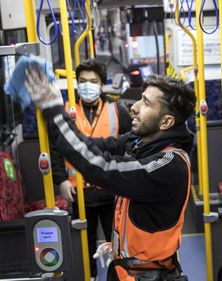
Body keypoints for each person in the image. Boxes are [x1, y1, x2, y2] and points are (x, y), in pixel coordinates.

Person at [26, 68, 195, 281]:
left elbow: (100, 167)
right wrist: (121, 247)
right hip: (126, 268)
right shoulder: (139, 142)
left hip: (148, 275)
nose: (134, 108)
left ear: (166, 122)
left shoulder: (169, 166)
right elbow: (90, 146)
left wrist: (54, 110)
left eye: (146, 103)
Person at [50, 58, 132, 279]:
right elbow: (56, 148)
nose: (88, 85)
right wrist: (61, 180)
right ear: (77, 83)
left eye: (93, 81)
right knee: (83, 244)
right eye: (83, 81)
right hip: (78, 191)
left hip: (112, 189)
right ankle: (90, 276)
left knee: (116, 240)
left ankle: (119, 277)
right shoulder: (66, 110)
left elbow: (129, 146)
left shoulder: (118, 111)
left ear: (101, 83)